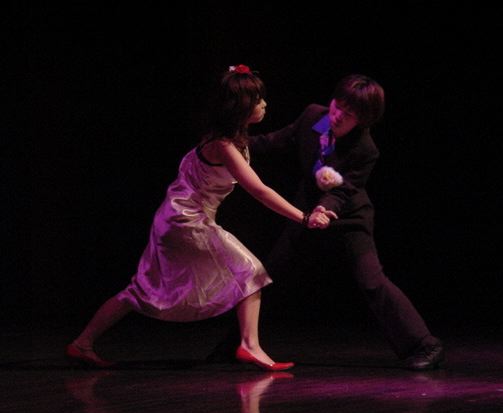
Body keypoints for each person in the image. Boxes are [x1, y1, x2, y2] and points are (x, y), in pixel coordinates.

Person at [66, 64, 335, 371]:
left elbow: (275, 143)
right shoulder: (223, 146)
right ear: (241, 107)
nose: (264, 104)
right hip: (186, 221)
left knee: (141, 289)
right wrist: (304, 217)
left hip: (175, 219)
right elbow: (259, 191)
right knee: (251, 271)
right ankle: (250, 345)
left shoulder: (226, 139)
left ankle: (82, 343)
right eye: (258, 99)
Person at [210, 74, 444, 371]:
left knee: (371, 281)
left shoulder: (364, 149)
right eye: (337, 106)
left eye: (349, 114)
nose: (338, 116)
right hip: (307, 212)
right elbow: (277, 141)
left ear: (363, 119)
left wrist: (323, 210)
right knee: (268, 276)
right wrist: (229, 145)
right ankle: (235, 345)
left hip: (348, 218)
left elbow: (343, 190)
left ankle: (425, 345)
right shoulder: (315, 117)